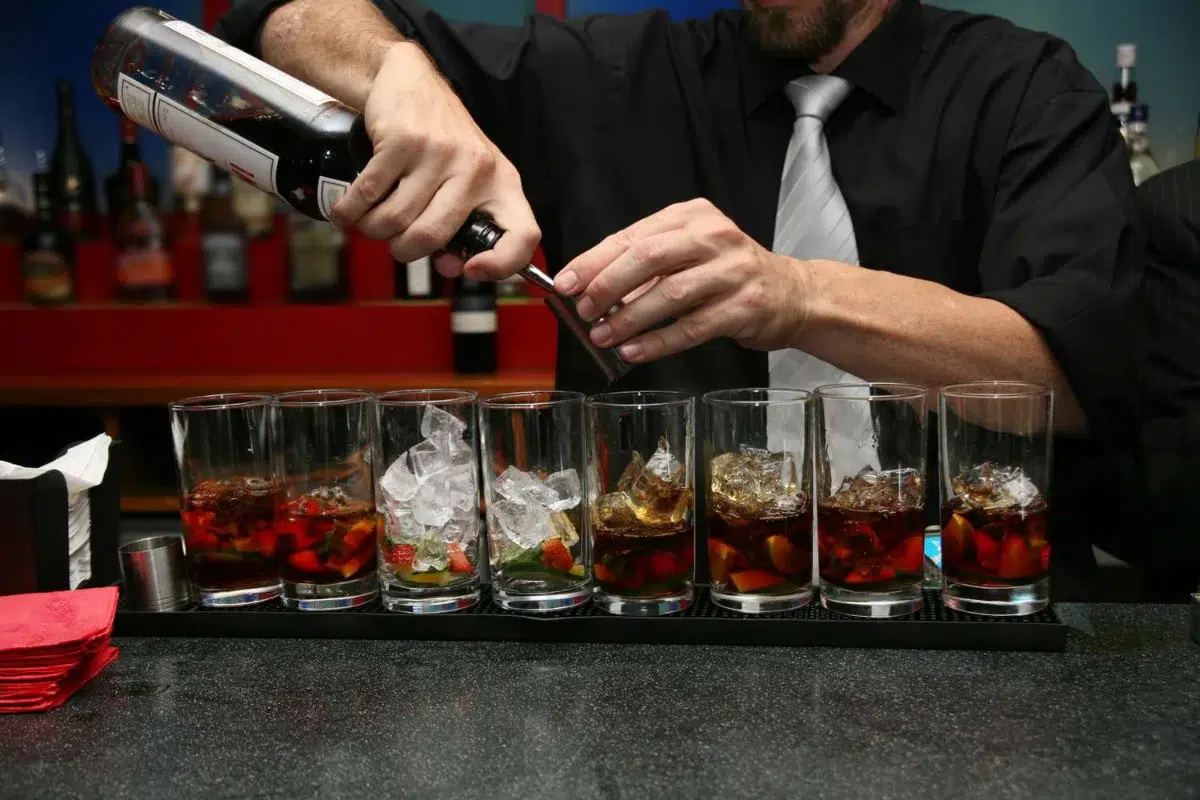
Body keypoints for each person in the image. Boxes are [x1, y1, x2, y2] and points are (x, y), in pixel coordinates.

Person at [216, 0, 1143, 586]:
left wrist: (794, 296)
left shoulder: (1024, 88)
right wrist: (398, 74)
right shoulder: (608, 76)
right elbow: (284, 25)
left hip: (967, 606)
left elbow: (1075, 376)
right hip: (653, 617)